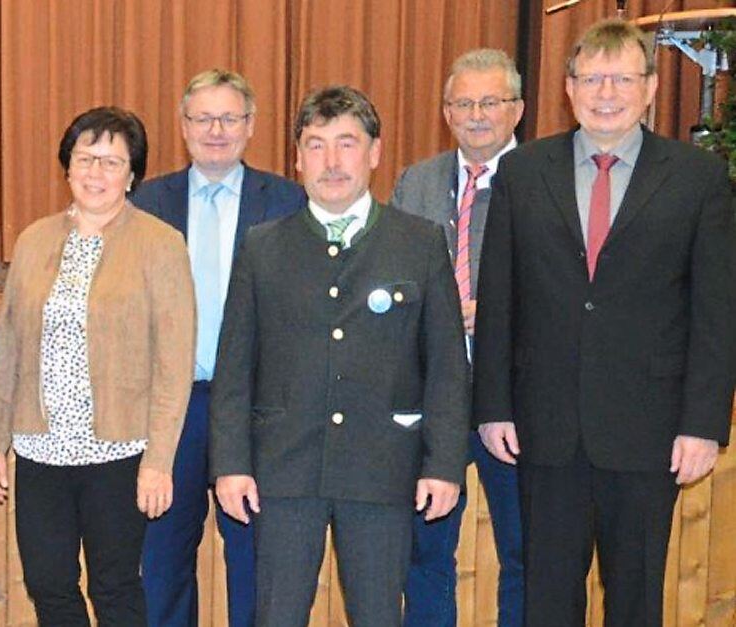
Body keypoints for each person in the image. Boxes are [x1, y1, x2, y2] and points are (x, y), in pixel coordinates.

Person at [473, 19, 736, 626]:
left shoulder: (696, 179)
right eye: (592, 78)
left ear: (648, 88)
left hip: (650, 434)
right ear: (568, 88)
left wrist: (703, 424)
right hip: (545, 429)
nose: (605, 92)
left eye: (621, 78)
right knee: (546, 599)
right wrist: (493, 408)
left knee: (637, 600)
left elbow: (716, 314)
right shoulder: (522, 174)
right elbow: (499, 301)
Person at [210, 85, 469, 626]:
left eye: (347, 144)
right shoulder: (263, 246)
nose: (331, 161)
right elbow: (235, 369)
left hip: (381, 468)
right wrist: (231, 465)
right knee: (275, 615)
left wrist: (443, 464)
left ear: (374, 153)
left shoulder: (419, 243)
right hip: (283, 471)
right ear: (296, 158)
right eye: (316, 145)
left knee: (378, 615)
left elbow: (447, 368)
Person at [0, 106, 195, 626]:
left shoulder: (161, 244)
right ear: (67, 166)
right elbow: (7, 348)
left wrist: (159, 461)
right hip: (40, 450)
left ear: (132, 175)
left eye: (111, 162)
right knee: (48, 584)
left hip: (118, 451)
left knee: (115, 587)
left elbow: (174, 361)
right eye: (85, 159)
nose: (96, 173)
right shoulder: (33, 240)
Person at [132, 68, 304, 627]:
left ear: (251, 125)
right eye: (203, 118)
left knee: (254, 562)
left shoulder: (286, 202)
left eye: (229, 118)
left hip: (254, 411)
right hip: (171, 409)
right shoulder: (147, 203)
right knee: (162, 563)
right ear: (183, 126)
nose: (216, 130)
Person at [390, 48, 525, 627]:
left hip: (516, 400)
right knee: (425, 551)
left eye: (489, 102)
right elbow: (391, 280)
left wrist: (492, 313)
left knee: (526, 551)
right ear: (445, 111)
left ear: (516, 109)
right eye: (463, 103)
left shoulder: (541, 179)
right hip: (431, 400)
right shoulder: (415, 182)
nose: (476, 115)